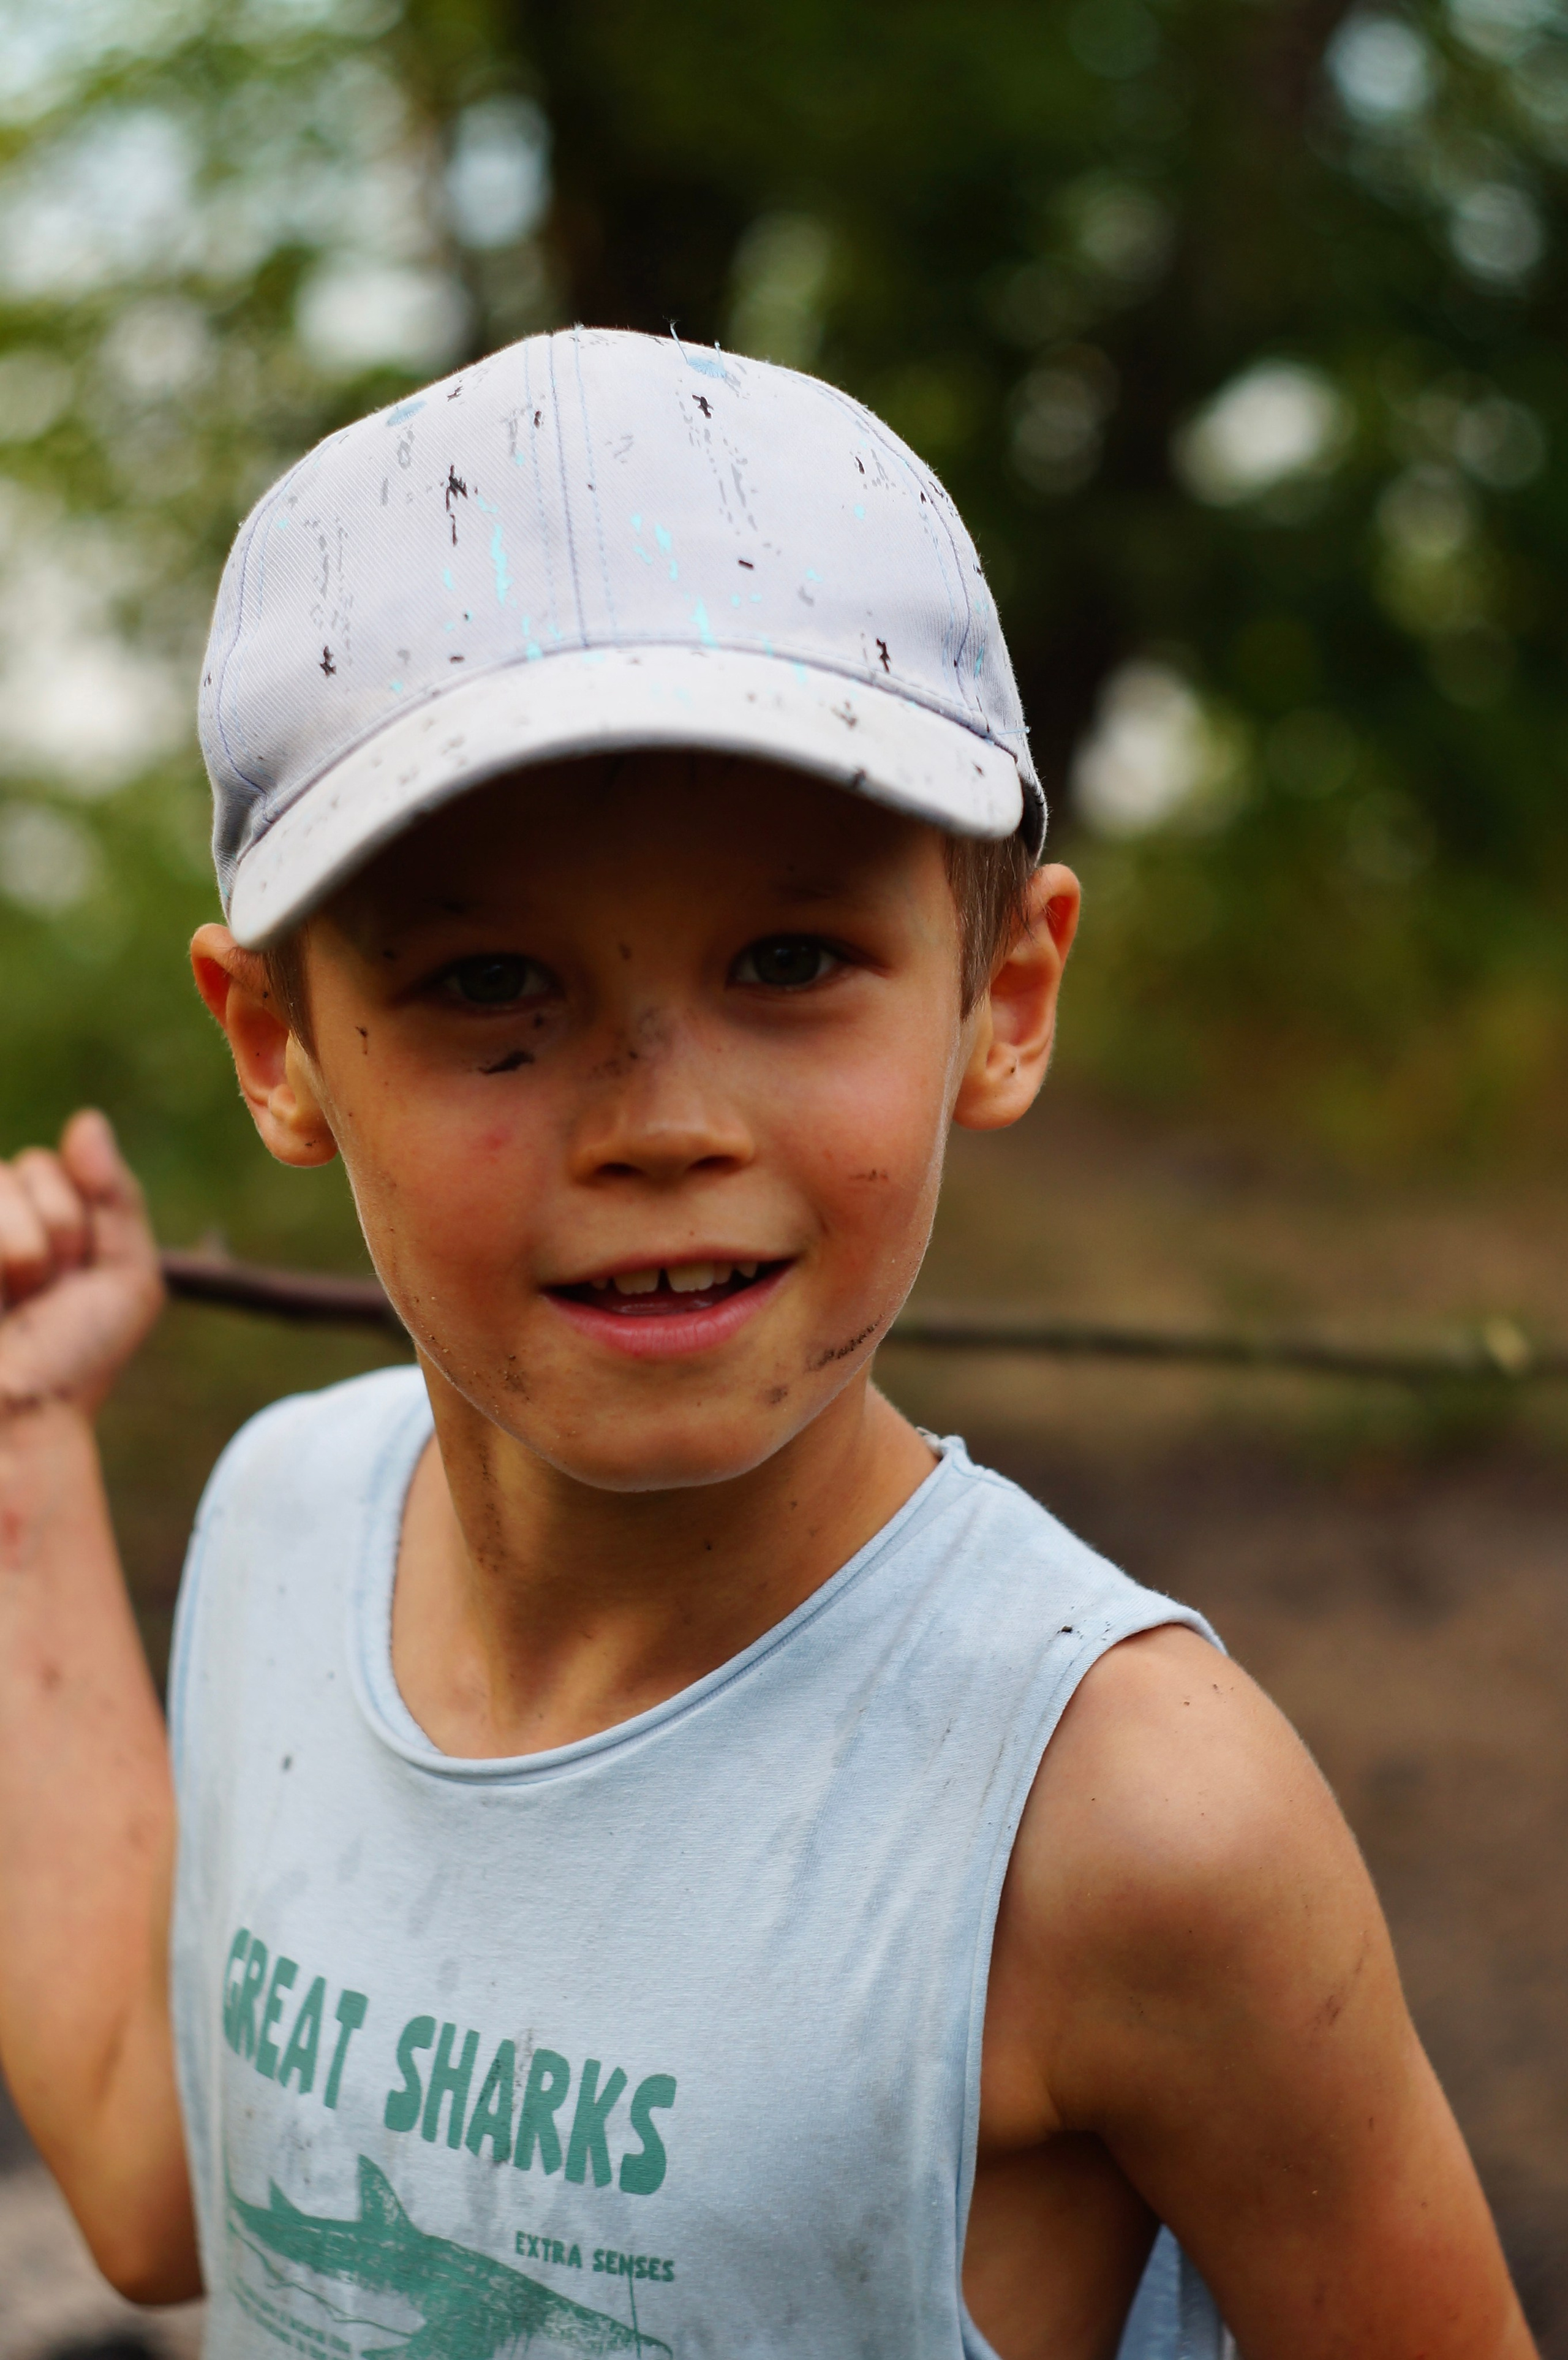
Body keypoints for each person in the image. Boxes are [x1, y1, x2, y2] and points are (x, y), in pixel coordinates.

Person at [0, 328, 1532, 2360]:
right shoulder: (287, 1516)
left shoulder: (1123, 1819)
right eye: (488, 985)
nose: (661, 1120)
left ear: (1002, 991)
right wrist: (26, 1431)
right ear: (279, 1048)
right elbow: (150, 2176)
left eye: (792, 961)